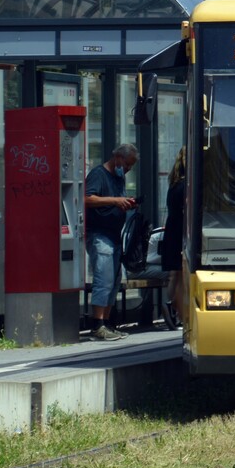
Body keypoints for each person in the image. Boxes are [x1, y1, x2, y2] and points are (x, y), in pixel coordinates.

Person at [84, 143, 138, 341]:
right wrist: (115, 201)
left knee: (114, 281)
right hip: (99, 233)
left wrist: (125, 203)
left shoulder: (119, 177)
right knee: (104, 278)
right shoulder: (98, 174)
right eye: (127, 164)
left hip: (114, 234)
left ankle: (107, 322)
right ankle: (97, 324)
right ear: (118, 158)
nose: (128, 169)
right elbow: (88, 198)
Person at [160, 147, 186, 323]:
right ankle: (177, 311)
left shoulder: (174, 183)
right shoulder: (188, 185)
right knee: (183, 274)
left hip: (172, 231)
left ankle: (171, 306)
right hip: (182, 232)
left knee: (174, 274)